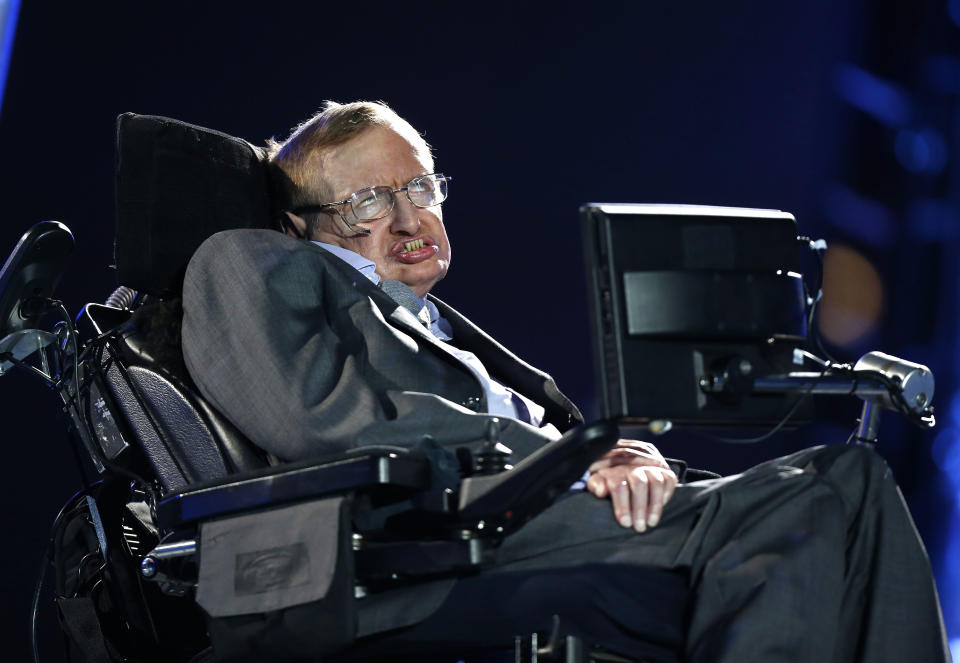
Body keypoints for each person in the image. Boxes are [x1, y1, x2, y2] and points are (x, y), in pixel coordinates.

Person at [180, 101, 950, 662]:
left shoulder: (423, 321)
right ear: (299, 225)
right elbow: (321, 418)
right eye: (368, 202)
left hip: (540, 508)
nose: (409, 217)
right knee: (820, 492)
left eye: (419, 188)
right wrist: (572, 455)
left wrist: (622, 457)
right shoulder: (250, 260)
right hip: (430, 538)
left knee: (847, 482)